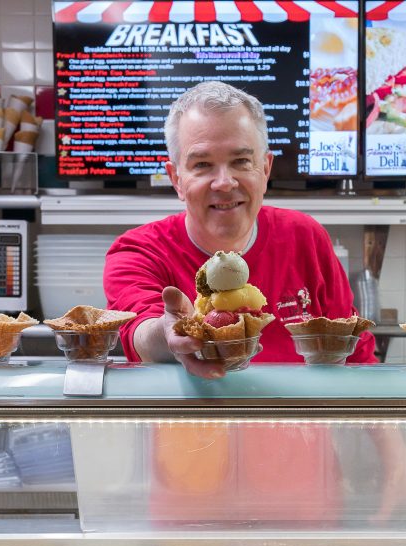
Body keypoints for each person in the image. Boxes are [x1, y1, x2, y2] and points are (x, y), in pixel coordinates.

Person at [104, 81, 375, 379]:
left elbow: (358, 358)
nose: (224, 182)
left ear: (265, 169)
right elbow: (140, 333)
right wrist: (170, 333)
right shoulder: (137, 252)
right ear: (176, 179)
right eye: (202, 164)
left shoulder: (306, 237)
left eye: (241, 161)